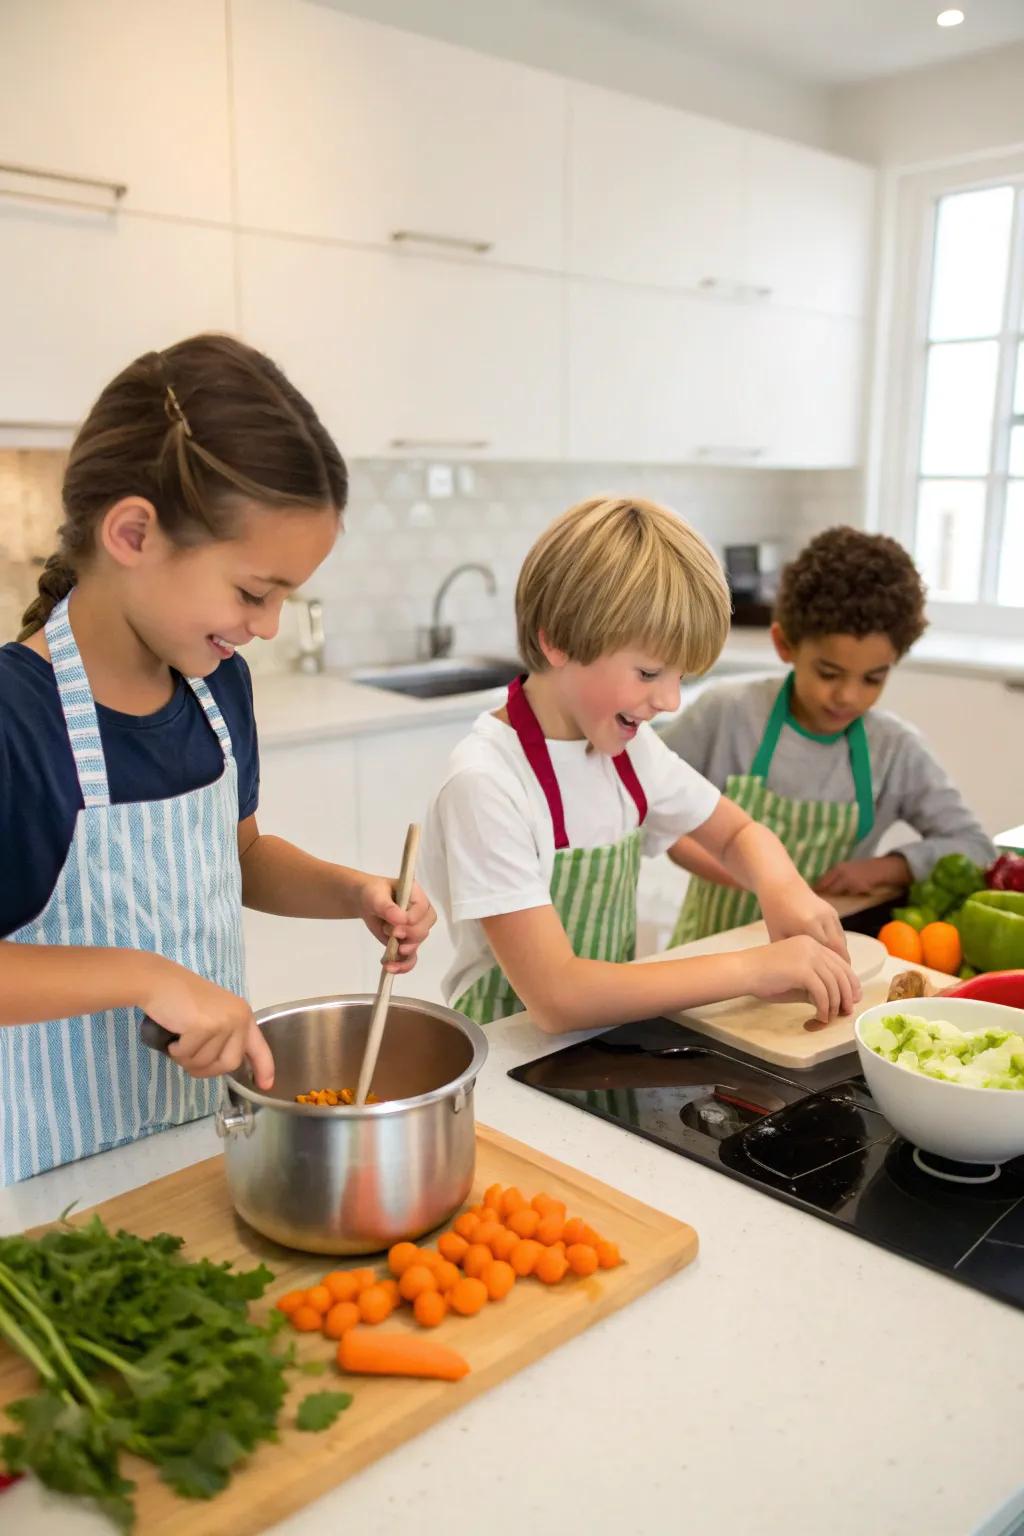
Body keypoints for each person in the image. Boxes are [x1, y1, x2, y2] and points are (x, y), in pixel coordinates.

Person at [0, 334, 435, 1183]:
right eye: (252, 592)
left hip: (196, 1144)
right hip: (42, 1185)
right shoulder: (17, 719)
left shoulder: (217, 686)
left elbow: (238, 859)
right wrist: (142, 976)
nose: (267, 626)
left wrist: (352, 895)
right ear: (133, 532)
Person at [421, 497, 859, 1033]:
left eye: (681, 677)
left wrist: (783, 887)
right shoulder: (487, 783)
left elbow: (735, 833)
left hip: (599, 1045)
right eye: (650, 673)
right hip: (505, 1064)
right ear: (557, 643)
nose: (671, 701)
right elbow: (558, 997)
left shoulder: (630, 752)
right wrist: (751, 968)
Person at [663, 525, 994, 943]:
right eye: (828, 673)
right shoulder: (728, 714)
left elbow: (975, 845)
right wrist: (749, 873)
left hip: (818, 962)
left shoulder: (894, 749)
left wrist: (890, 867)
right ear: (785, 644)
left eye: (873, 678)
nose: (848, 696)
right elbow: (647, 804)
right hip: (709, 951)